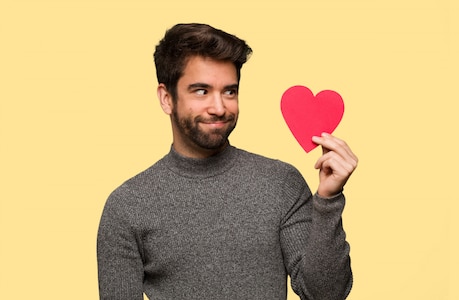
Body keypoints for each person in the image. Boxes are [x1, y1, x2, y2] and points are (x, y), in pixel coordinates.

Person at [97, 23, 358, 300]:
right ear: (166, 98)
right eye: (201, 91)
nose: (219, 108)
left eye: (229, 91)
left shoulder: (281, 183)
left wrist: (328, 199)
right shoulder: (128, 205)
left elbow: (326, 294)